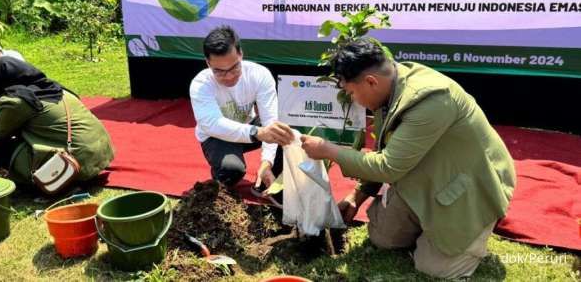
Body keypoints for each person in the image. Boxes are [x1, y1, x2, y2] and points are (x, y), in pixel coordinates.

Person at [298, 38, 516, 279]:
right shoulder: (390, 87)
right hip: (423, 175)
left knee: (435, 269)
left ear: (371, 81)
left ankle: (475, 230)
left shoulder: (430, 100)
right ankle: (426, 226)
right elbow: (385, 150)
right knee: (383, 237)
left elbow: (389, 166)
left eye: (351, 92)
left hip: (465, 187)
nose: (354, 100)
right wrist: (357, 196)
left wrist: (329, 150)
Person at [0, 56, 114, 188]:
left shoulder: (17, 101)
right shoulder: (55, 88)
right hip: (99, 156)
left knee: (0, 146)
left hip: (73, 164)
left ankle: (38, 183)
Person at [190, 26, 294, 190]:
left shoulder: (259, 75)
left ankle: (266, 179)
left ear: (241, 54)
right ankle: (219, 182)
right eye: (219, 72)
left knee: (285, 132)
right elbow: (211, 124)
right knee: (232, 170)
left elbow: (270, 121)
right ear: (208, 63)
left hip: (248, 126)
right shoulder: (200, 84)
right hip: (216, 136)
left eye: (234, 68)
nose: (229, 76)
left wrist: (267, 161)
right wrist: (257, 133)